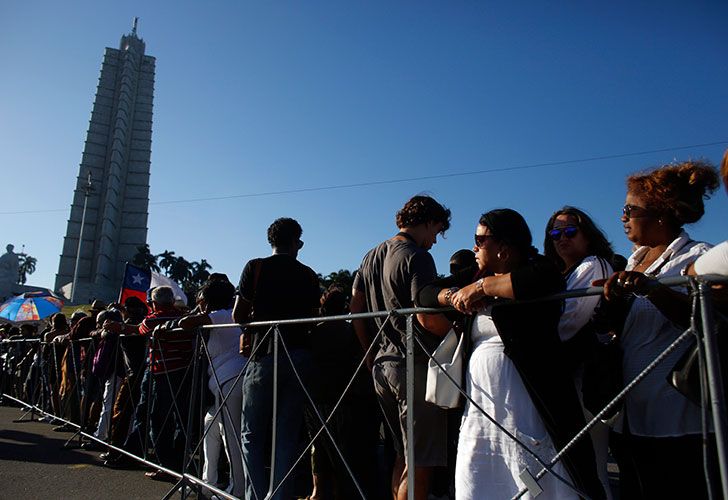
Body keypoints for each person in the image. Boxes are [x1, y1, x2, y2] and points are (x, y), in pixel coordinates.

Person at [418, 208, 605, 500]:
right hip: (481, 403)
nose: (475, 247)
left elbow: (538, 282)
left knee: (529, 475)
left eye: (480, 240)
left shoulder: (539, 269)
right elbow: (425, 293)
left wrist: (482, 288)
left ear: (503, 246)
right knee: (476, 475)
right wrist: (453, 295)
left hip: (524, 402)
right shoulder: (478, 271)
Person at [600, 160, 719, 499]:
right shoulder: (632, 262)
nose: (622, 217)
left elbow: (704, 319)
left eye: (629, 209)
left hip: (677, 418)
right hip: (632, 414)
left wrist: (651, 289)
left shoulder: (697, 257)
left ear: (661, 215)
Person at [350, 194, 452, 500]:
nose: (434, 241)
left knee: (400, 454)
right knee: (420, 462)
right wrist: (459, 335)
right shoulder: (417, 257)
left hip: (382, 364)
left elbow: (355, 308)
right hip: (413, 365)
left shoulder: (370, 256)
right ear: (429, 222)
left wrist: (369, 351)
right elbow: (425, 316)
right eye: (437, 232)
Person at [233, 217, 321, 500]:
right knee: (287, 434)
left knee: (252, 434)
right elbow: (312, 318)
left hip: (264, 353)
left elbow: (238, 315)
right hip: (300, 355)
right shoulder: (309, 275)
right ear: (297, 243)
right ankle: (280, 495)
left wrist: (250, 328)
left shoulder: (255, 267)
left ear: (270, 241)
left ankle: (254, 495)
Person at [543, 206, 616, 499]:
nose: (562, 238)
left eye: (570, 231)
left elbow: (567, 323)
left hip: (587, 379)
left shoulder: (593, 265)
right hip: (571, 378)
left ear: (588, 235)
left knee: (592, 467)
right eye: (555, 233)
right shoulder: (565, 272)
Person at [180, 278, 245, 497]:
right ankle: (209, 483)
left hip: (230, 383)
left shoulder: (222, 315)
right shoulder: (225, 315)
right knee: (211, 430)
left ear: (208, 301)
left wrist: (201, 309)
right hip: (222, 386)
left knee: (232, 440)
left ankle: (237, 489)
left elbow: (185, 323)